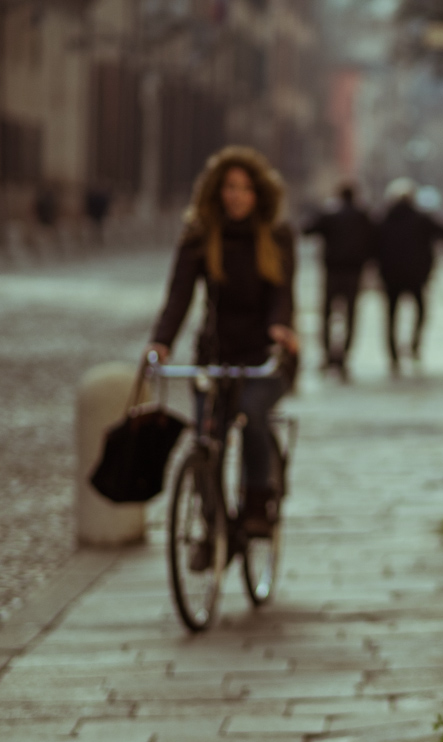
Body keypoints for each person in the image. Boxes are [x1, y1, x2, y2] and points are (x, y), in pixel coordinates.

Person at [145, 145, 299, 542]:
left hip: (265, 356)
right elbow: (178, 296)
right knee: (206, 434)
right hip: (215, 355)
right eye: (230, 187)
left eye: (245, 188)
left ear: (259, 194)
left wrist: (280, 327)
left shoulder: (277, 236)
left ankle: (257, 505)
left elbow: (282, 294)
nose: (237, 196)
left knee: (251, 413)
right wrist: (161, 342)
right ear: (217, 191)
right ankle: (212, 526)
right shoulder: (200, 237)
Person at [376, 178, 443, 375]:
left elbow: (371, 246)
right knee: (420, 311)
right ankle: (414, 346)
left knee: (391, 315)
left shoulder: (384, 218)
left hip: (391, 275)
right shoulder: (422, 218)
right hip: (416, 275)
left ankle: (393, 355)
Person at [303, 183, 375, 379]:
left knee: (327, 314)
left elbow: (308, 229)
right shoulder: (362, 216)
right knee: (350, 315)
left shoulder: (330, 215)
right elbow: (373, 241)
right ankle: (344, 357)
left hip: (332, 271)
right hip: (354, 272)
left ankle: (328, 355)